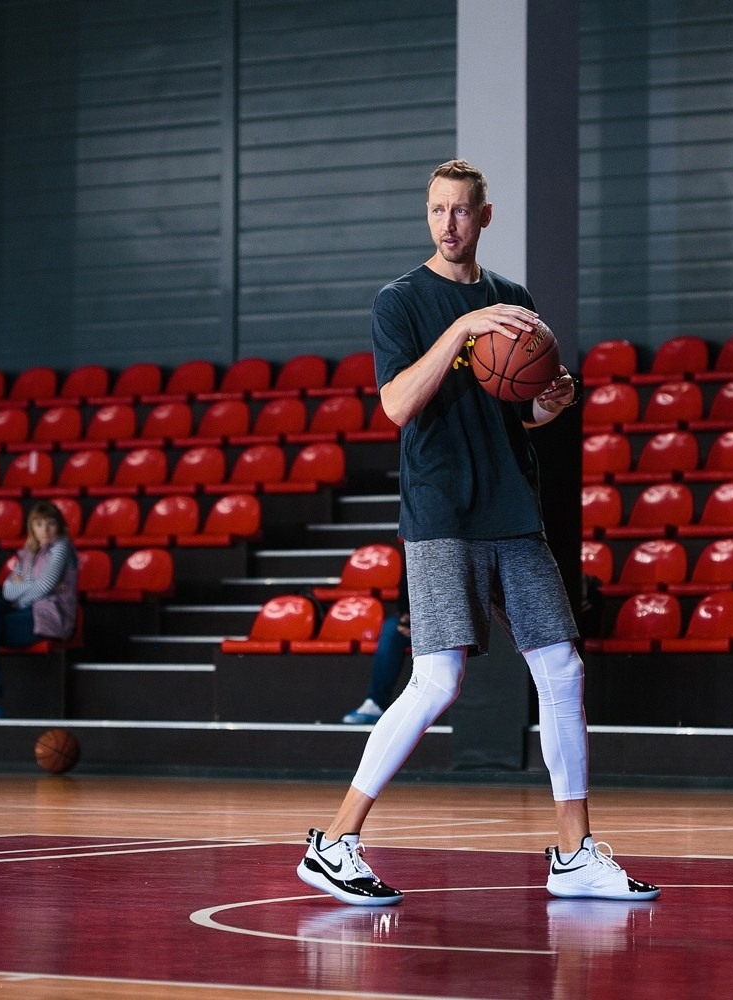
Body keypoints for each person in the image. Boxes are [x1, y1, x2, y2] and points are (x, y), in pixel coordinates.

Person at [296, 159, 659, 907]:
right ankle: (334, 841)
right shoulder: (400, 301)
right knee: (438, 680)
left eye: (462, 210)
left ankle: (574, 854)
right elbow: (398, 404)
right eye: (438, 210)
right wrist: (462, 328)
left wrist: (550, 401)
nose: (449, 223)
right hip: (442, 514)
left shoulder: (515, 301)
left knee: (562, 669)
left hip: (512, 510)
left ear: (484, 217)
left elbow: (520, 409)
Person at [0, 500, 78, 720]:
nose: (45, 530)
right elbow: (8, 590)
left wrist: (25, 591)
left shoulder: (61, 546)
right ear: (32, 527)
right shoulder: (28, 553)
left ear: (59, 526)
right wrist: (33, 587)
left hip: (50, 616)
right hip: (27, 613)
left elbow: (44, 585)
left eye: (50, 524)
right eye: (39, 524)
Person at [341, 578, 410, 725]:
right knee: (391, 629)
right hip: (413, 616)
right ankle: (376, 704)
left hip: (445, 616)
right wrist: (407, 616)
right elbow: (407, 583)